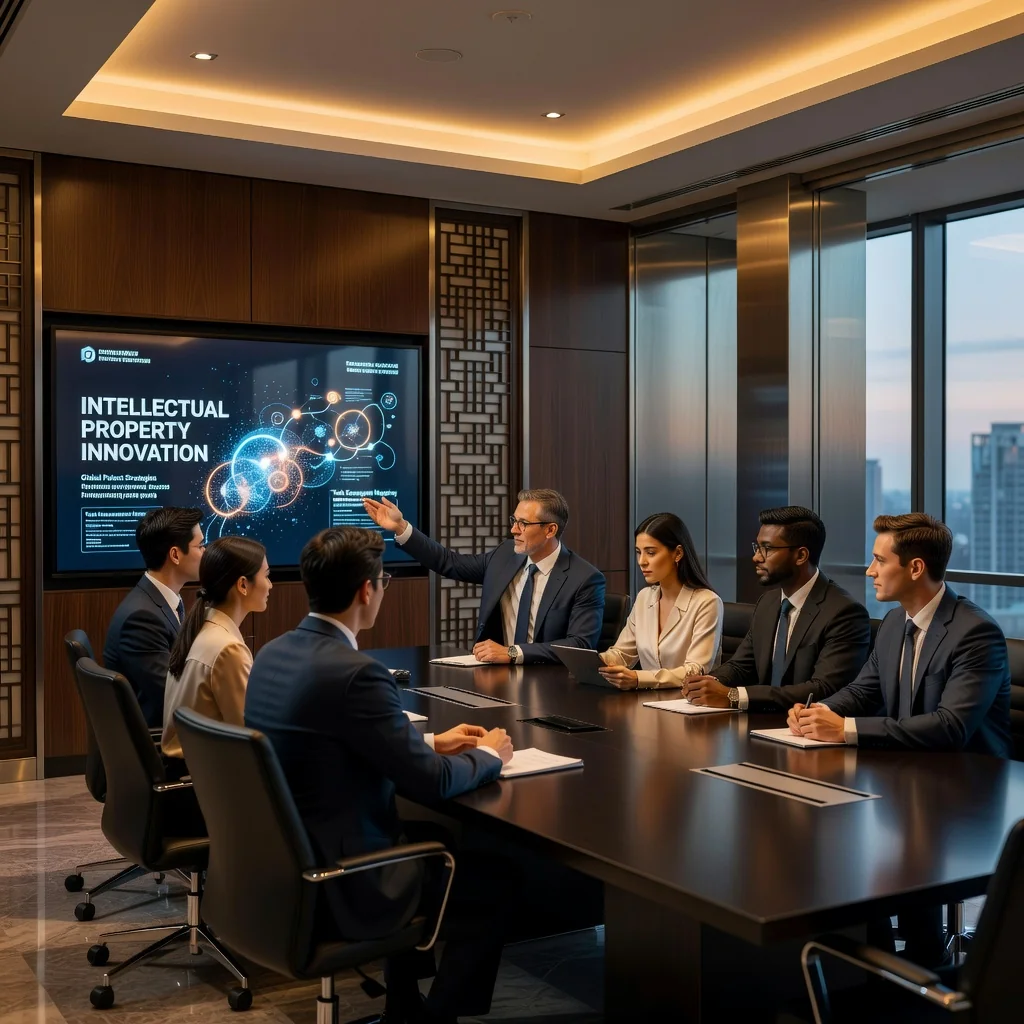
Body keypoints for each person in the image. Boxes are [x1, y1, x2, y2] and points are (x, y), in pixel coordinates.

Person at [244, 526, 513, 1023]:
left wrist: (432, 741)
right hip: (342, 879)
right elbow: (430, 782)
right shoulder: (357, 673)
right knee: (493, 883)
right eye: (385, 580)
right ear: (367, 589)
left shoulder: (274, 651)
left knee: (433, 836)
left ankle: (404, 1005)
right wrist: (491, 756)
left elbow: (329, 744)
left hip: (280, 863)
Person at [791, 513, 1012, 966]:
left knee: (882, 859)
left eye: (878, 560)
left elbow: (950, 726)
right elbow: (864, 689)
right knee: (833, 848)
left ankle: (921, 974)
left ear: (914, 568)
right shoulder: (894, 623)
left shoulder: (975, 632)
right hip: (909, 779)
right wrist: (822, 711)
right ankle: (876, 968)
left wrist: (846, 730)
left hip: (968, 796)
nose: (869, 571)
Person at [363, 488, 605, 665]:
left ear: (550, 530)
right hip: (498, 675)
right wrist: (401, 528)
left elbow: (580, 645)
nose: (513, 530)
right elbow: (449, 563)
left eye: (523, 524)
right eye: (514, 521)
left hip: (552, 683)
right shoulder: (505, 555)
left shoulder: (584, 578)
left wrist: (512, 652)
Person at [682, 505, 870, 711]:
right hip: (760, 723)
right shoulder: (769, 602)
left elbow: (824, 688)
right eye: (758, 547)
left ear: (801, 556)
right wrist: (707, 682)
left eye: (767, 549)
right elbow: (742, 665)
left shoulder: (845, 612)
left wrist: (734, 695)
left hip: (810, 729)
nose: (756, 557)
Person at [160, 537, 272, 760]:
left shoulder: (201, 627)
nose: (270, 585)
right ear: (242, 585)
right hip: (212, 776)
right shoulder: (228, 649)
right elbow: (249, 733)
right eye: (267, 576)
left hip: (197, 768)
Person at [103, 507, 205, 727]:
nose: (205, 552)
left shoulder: (160, 599)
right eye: (200, 545)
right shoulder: (141, 618)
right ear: (175, 555)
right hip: (159, 741)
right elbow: (174, 695)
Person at [598, 513, 723, 689]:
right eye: (638, 552)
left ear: (678, 553)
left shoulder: (707, 602)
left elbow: (695, 670)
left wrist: (638, 678)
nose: (642, 561)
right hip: (646, 701)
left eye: (651, 552)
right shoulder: (644, 597)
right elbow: (622, 654)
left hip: (689, 703)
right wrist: (595, 662)